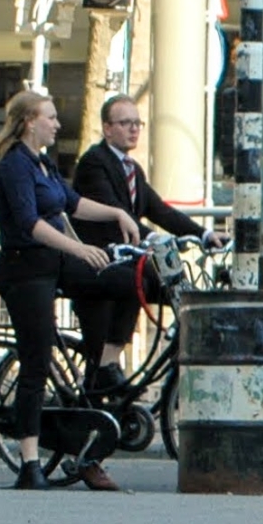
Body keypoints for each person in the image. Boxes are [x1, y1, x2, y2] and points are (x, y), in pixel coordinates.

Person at [0, 89, 148, 489]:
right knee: (35, 360)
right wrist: (79, 248)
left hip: (56, 264)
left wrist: (116, 213)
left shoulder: (43, 163)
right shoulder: (15, 166)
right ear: (29, 122)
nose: (58, 124)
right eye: (51, 117)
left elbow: (72, 202)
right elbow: (30, 223)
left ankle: (106, 360)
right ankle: (29, 464)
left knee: (133, 278)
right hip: (26, 271)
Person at [72, 92, 217, 393]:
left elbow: (159, 209)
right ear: (107, 128)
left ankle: (123, 365)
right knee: (141, 281)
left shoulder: (132, 169)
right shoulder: (94, 163)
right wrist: (153, 237)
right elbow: (115, 213)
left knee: (175, 288)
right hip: (99, 259)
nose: (134, 129)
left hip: (124, 260)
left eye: (137, 123)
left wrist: (204, 235)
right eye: (125, 123)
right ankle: (105, 368)